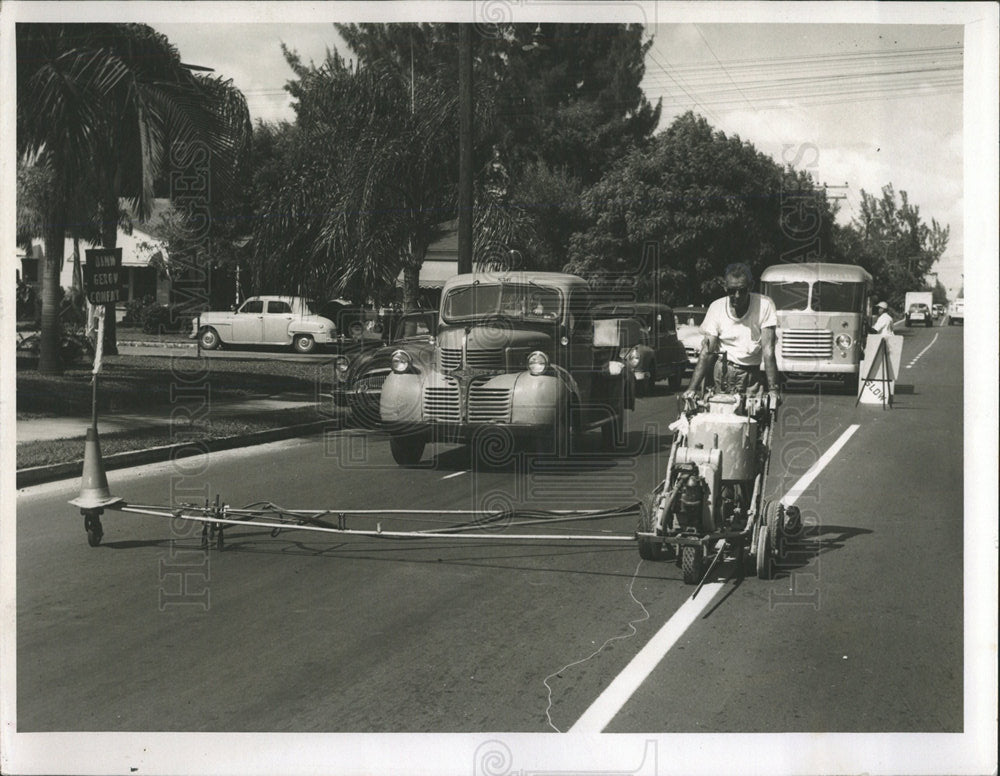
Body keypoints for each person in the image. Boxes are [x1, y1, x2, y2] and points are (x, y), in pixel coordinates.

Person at [683, 262, 780, 409]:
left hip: (750, 376)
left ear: (751, 286)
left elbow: (768, 351)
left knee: (750, 420)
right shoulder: (717, 308)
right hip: (722, 373)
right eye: (731, 291)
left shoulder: (764, 305)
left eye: (742, 290)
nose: (737, 296)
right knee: (718, 417)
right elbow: (707, 351)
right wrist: (692, 388)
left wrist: (773, 389)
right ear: (725, 288)